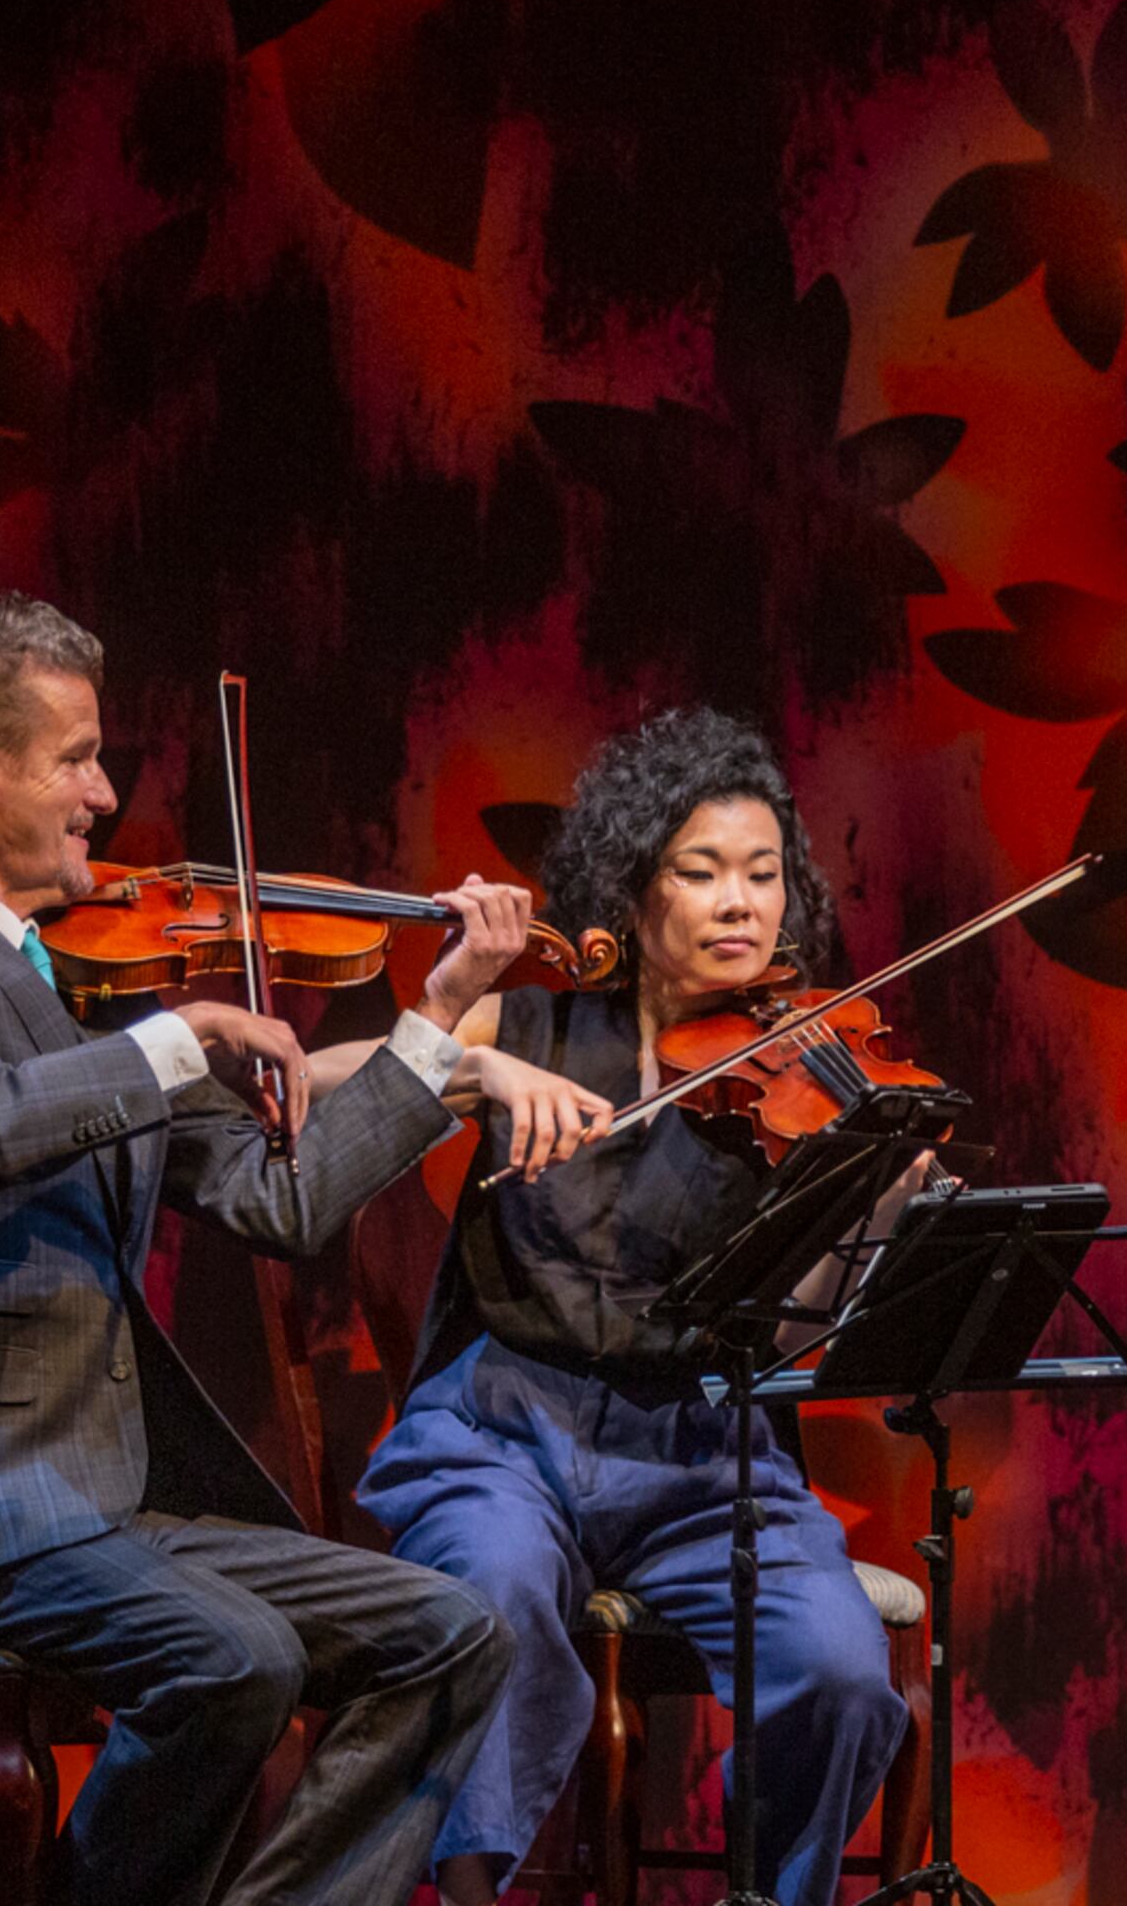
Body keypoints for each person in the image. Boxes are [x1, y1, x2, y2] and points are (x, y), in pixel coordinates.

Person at [0, 592, 539, 1903]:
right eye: (75, 756)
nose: (100, 791)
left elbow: (279, 1199)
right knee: (236, 1657)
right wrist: (183, 1039)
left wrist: (438, 1017)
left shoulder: (78, 989)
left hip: (98, 1503)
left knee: (452, 1634)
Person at [354, 705, 917, 1906]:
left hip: (709, 1455)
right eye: (701, 872)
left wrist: (867, 1211)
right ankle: (469, 1891)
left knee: (841, 1671)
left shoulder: (807, 1072)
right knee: (490, 1592)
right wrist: (473, 1058)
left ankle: (766, 1893)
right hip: (505, 1434)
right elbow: (313, 1085)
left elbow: (801, 1330)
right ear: (633, 885)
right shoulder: (539, 1022)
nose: (740, 904)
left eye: (763, 875)